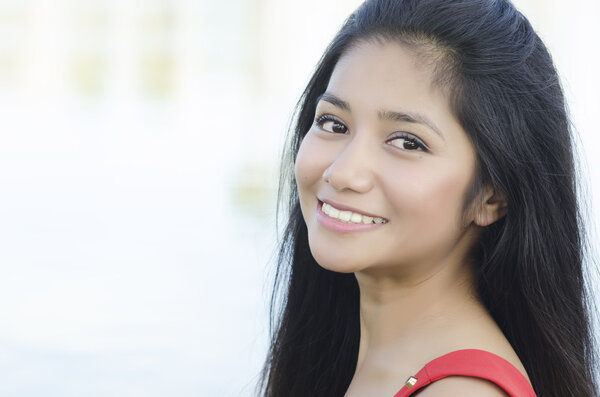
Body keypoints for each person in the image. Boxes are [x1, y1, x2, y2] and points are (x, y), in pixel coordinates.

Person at [258, 0, 599, 396]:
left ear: (492, 195)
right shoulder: (361, 358)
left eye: (407, 142)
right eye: (333, 123)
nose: (342, 172)